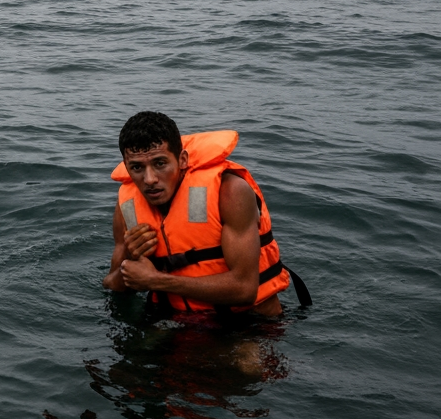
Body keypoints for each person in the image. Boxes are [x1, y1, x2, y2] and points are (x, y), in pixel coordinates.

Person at [102, 111, 309, 316]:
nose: (149, 179)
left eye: (160, 163)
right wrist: (130, 258)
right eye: (137, 167)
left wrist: (156, 280)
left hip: (248, 323)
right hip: (178, 322)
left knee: (247, 351)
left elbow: (245, 289)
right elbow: (112, 284)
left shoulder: (230, 192)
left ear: (182, 159)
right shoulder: (127, 207)